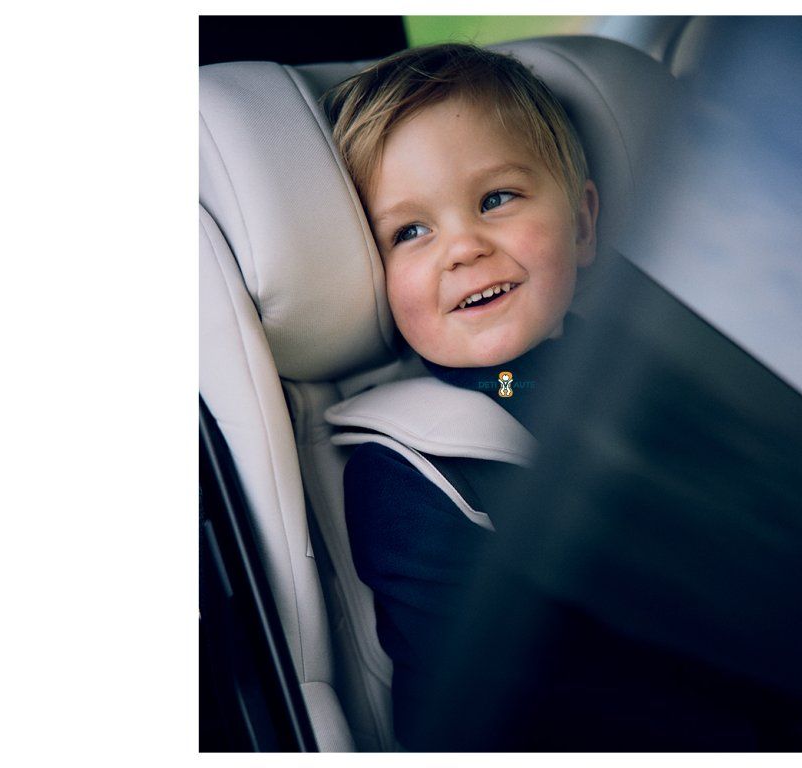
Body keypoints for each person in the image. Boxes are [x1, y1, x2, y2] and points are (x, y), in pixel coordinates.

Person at [325, 43, 599, 747]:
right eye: (410, 231)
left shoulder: (637, 363)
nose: (463, 247)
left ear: (582, 225)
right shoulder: (410, 473)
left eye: (495, 199)